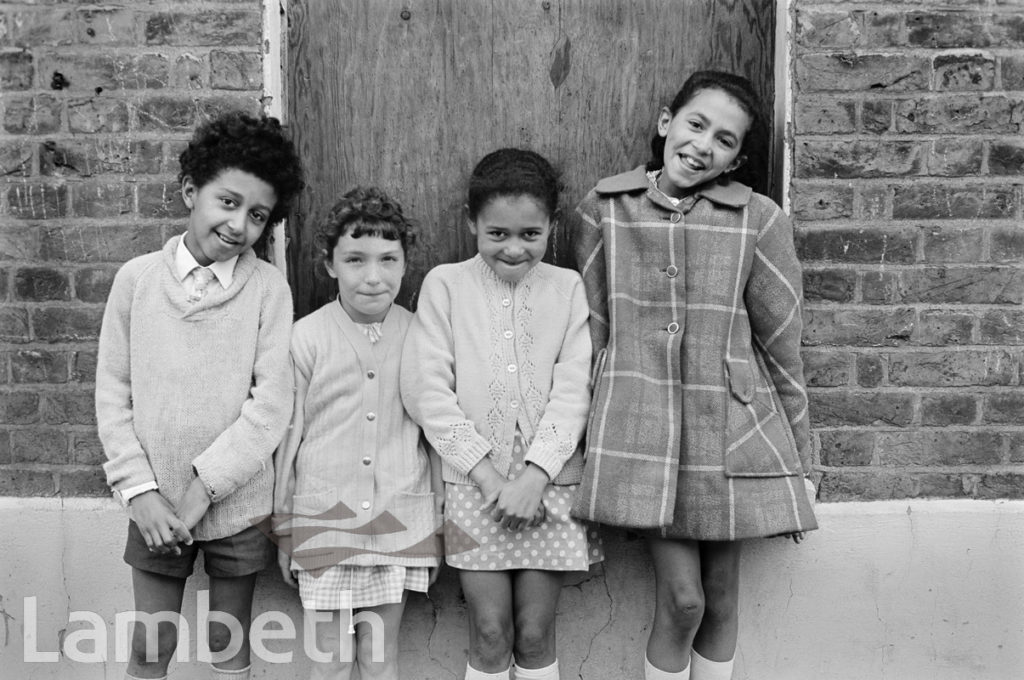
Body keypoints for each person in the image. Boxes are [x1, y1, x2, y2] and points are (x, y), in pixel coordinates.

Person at [570, 70, 818, 680]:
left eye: (726, 140)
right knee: (684, 603)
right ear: (665, 122)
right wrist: (580, 443)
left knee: (723, 598)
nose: (704, 145)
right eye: (696, 124)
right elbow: (590, 334)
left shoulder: (758, 219)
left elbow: (783, 346)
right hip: (640, 429)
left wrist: (803, 459)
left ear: (736, 157)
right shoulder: (604, 208)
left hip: (729, 430)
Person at [96, 110, 303, 680]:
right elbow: (113, 394)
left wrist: (204, 487)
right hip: (155, 503)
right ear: (191, 190)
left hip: (235, 502)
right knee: (150, 644)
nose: (239, 224)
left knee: (225, 638)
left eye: (257, 215)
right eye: (228, 202)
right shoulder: (137, 282)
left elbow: (271, 407)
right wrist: (139, 491)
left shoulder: (266, 290)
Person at [401, 148, 602, 680]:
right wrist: (489, 479)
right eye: (497, 234)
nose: (514, 249)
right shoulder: (446, 286)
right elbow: (427, 390)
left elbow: (574, 388)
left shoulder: (567, 290)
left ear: (551, 227)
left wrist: (536, 477)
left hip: (550, 483)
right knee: (489, 631)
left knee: (535, 634)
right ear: (472, 223)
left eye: (530, 235)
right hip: (474, 485)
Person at [273, 187, 442, 680]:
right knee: (333, 659)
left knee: (379, 657)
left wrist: (434, 523)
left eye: (388, 260)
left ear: (406, 263)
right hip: (323, 524)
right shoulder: (307, 337)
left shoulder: (420, 335)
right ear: (330, 264)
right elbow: (289, 438)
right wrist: (285, 529)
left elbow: (433, 434)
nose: (373, 277)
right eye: (355, 260)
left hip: (399, 522)